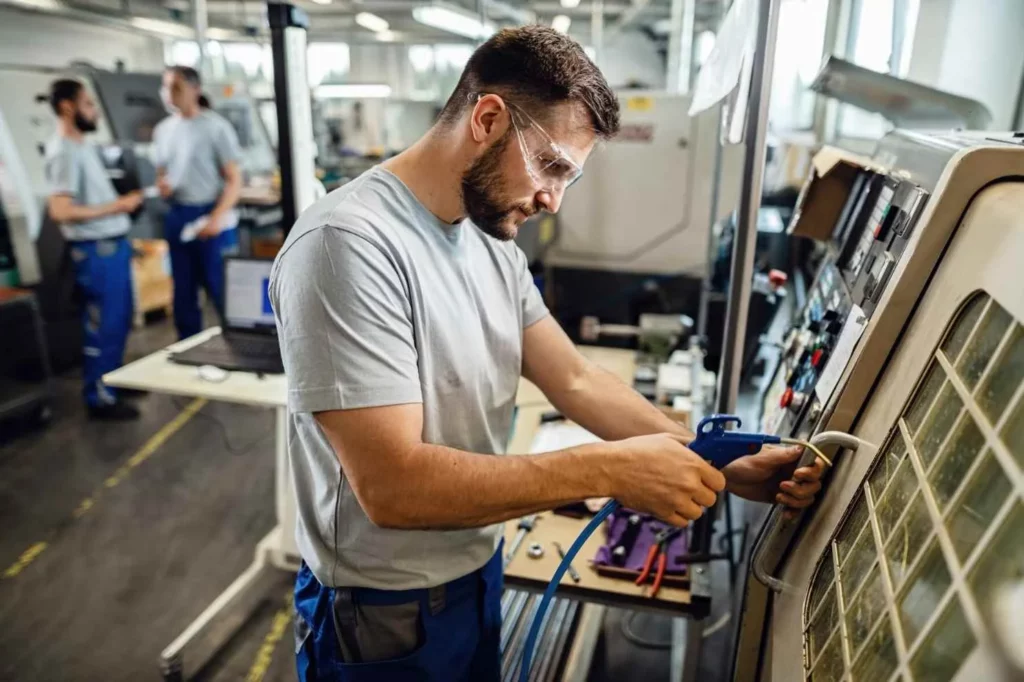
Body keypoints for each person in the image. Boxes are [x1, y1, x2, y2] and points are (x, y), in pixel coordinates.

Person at [270, 27, 825, 682]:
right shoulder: (347, 244)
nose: (553, 198)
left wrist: (713, 461)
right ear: (487, 118)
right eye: (552, 165)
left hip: (477, 565)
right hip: (383, 610)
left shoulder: (489, 238)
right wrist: (609, 470)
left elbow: (577, 378)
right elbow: (393, 487)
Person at [44, 78, 144, 421]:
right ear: (68, 106)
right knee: (103, 324)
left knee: (118, 321)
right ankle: (99, 396)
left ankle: (112, 378)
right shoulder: (63, 151)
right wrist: (116, 207)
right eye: (88, 104)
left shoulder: (83, 145)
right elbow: (59, 210)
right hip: (94, 251)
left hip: (112, 246)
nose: (94, 110)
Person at [153, 65, 242, 340]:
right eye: (166, 87)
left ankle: (240, 348)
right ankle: (188, 349)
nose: (169, 94)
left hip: (210, 213)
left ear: (195, 89)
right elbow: (162, 173)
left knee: (222, 290)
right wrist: (164, 186)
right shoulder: (163, 130)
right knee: (183, 291)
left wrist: (217, 218)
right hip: (179, 214)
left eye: (176, 87)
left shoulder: (216, 128)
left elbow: (234, 179)